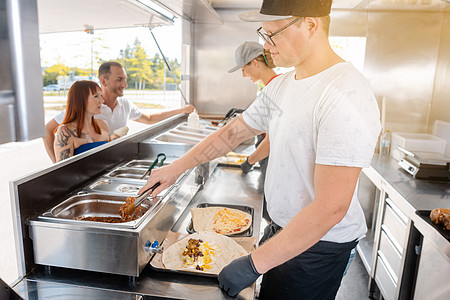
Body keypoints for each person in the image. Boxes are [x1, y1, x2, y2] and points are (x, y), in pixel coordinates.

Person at [139, 0, 381, 299]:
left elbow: (331, 207)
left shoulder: (345, 92)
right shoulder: (285, 84)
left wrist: (253, 264)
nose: (265, 46)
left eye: (272, 34)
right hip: (283, 232)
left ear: (310, 24)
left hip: (319, 246)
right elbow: (233, 133)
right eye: (262, 34)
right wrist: (174, 169)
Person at [43, 61, 195, 163]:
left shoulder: (117, 111)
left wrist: (183, 110)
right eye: (119, 79)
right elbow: (48, 131)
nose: (125, 84)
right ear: (104, 81)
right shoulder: (72, 123)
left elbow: (149, 119)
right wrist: (55, 163)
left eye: (125, 79)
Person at [227, 41, 278, 177]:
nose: (243, 75)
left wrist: (249, 161)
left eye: (243, 69)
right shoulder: (270, 87)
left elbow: (271, 140)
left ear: (255, 62)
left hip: (274, 166)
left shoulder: (274, 90)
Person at [54, 80, 110, 162]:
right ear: (80, 100)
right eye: (96, 96)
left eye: (101, 95)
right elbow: (63, 171)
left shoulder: (103, 124)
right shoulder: (65, 131)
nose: (102, 101)